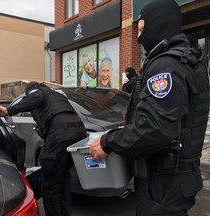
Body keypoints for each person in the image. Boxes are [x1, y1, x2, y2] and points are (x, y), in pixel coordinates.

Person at [88, 0, 210, 215]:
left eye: (142, 29)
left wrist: (108, 142)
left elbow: (155, 128)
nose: (138, 37)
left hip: (163, 183)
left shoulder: (167, 65)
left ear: (158, 24)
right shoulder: (187, 61)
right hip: (174, 177)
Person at [0, 81, 86, 216]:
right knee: (63, 178)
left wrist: (8, 110)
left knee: (50, 184)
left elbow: (36, 98)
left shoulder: (37, 92)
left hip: (60, 135)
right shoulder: (57, 96)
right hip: (78, 133)